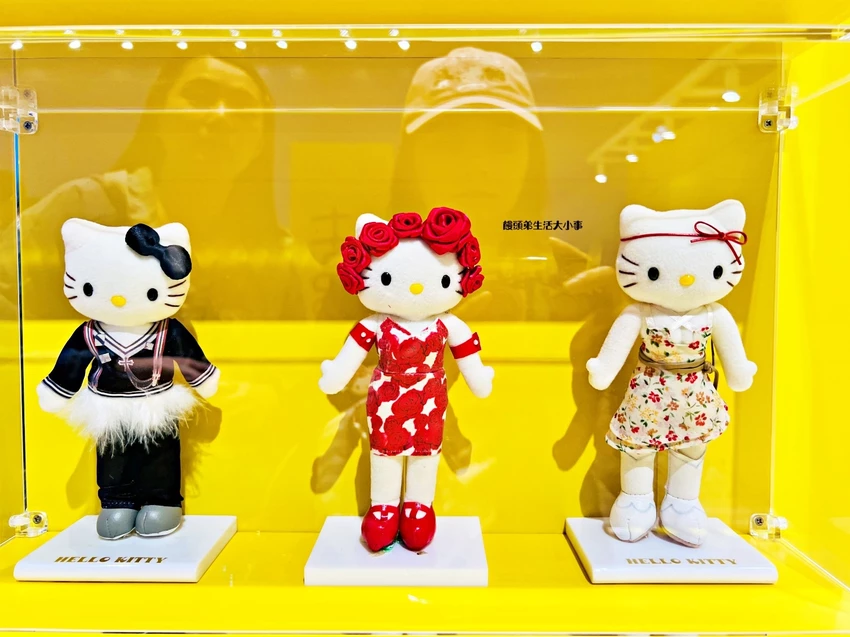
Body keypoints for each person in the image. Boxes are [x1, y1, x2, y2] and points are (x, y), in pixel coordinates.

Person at [0, 56, 317, 321]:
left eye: (242, 106)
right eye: (199, 97)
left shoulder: (278, 256)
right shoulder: (83, 208)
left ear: (261, 142)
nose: (220, 116)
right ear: (157, 117)